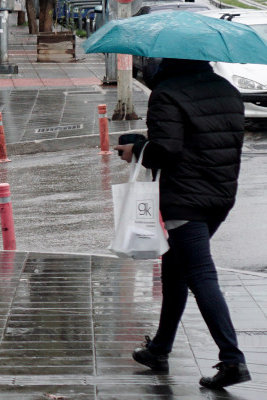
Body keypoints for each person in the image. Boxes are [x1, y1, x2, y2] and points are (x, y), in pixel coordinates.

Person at [114, 58, 251, 390]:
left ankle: (232, 359)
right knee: (174, 268)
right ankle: (159, 349)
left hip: (184, 198)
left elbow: (168, 150)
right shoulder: (228, 91)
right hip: (220, 196)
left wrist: (138, 149)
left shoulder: (167, 94)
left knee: (200, 274)